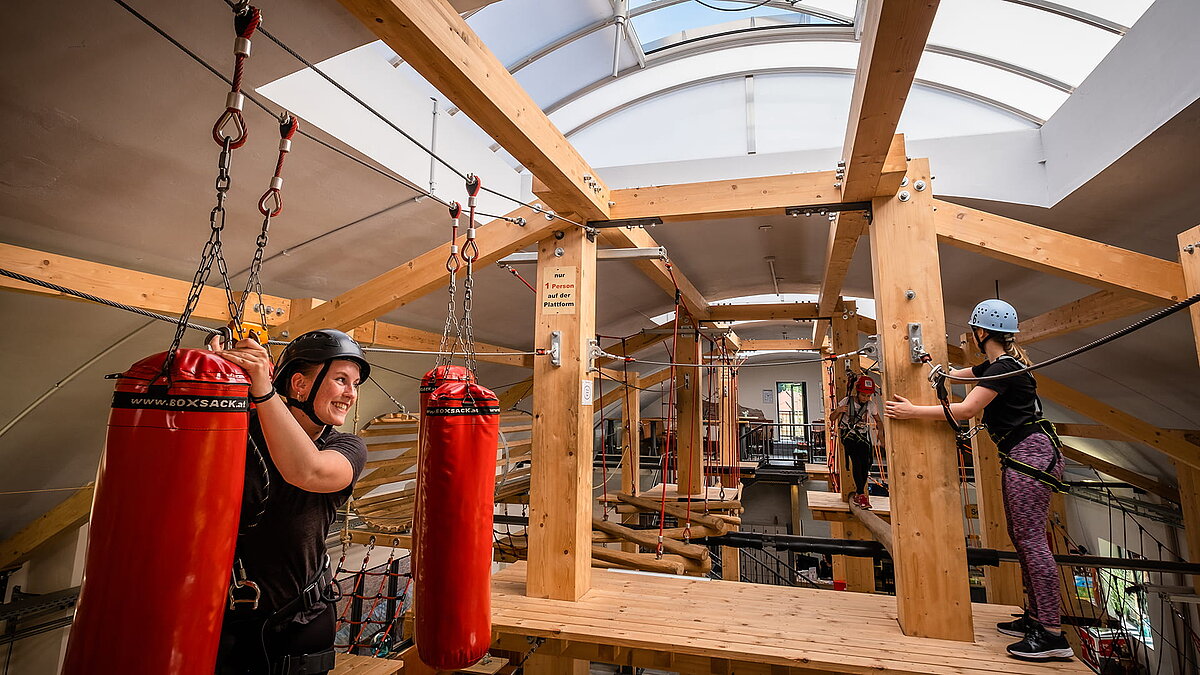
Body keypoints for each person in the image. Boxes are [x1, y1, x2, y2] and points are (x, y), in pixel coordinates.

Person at [884, 299, 1073, 661]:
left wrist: (911, 412)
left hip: (1029, 455)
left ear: (981, 332)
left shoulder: (1003, 368)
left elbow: (967, 409)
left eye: (972, 332)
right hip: (1030, 454)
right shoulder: (1001, 365)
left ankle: (1051, 633)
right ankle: (1037, 619)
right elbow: (960, 376)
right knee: (1025, 538)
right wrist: (934, 366)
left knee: (1032, 542)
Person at [213, 329, 371, 674]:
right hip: (228, 623)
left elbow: (307, 471)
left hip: (299, 623)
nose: (351, 393)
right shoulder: (241, 430)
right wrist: (220, 370)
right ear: (299, 385)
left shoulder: (346, 448)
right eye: (342, 380)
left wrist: (263, 389)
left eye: (355, 384)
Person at [829, 375, 884, 509]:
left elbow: (879, 421)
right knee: (857, 462)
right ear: (858, 392)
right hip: (849, 436)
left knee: (866, 464)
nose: (865, 398)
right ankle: (860, 493)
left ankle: (860, 493)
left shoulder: (870, 405)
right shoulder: (847, 401)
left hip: (863, 437)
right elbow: (832, 418)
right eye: (863, 395)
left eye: (868, 396)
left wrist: (881, 434)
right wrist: (838, 410)